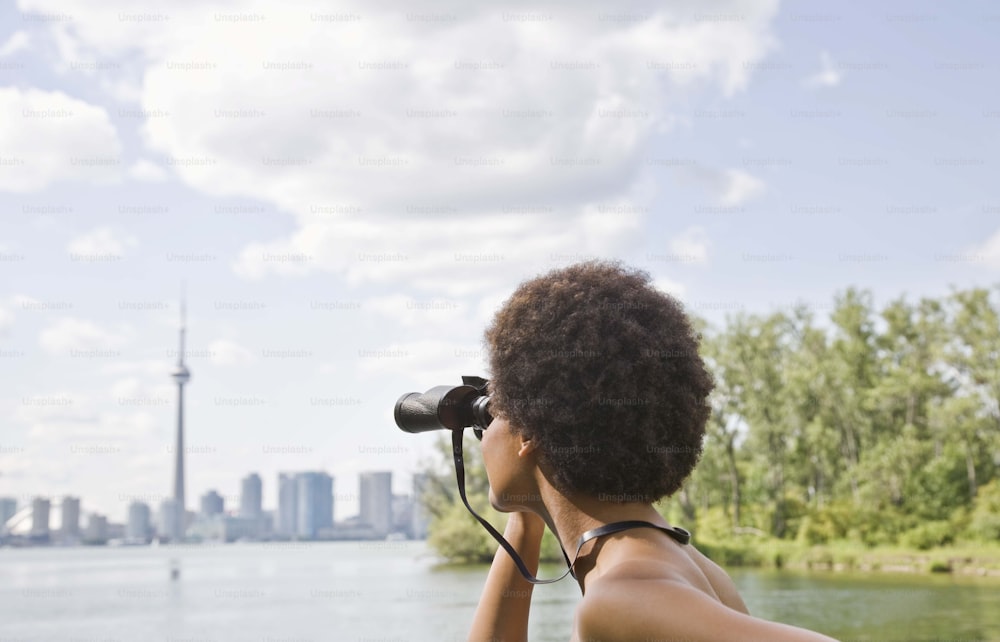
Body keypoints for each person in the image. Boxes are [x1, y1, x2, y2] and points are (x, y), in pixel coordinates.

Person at [467, 261, 837, 642]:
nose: (486, 432)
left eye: (495, 411)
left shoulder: (621, 597)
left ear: (527, 432)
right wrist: (530, 512)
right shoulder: (685, 567)